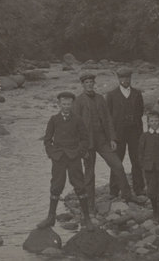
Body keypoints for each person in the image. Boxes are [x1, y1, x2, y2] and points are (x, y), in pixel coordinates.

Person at [73, 71, 133, 211]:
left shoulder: (100, 98)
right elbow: (75, 125)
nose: (89, 85)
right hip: (87, 142)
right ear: (82, 85)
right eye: (86, 83)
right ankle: (90, 205)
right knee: (89, 173)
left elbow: (108, 119)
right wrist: (81, 147)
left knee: (117, 165)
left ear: (94, 84)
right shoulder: (78, 101)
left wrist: (112, 138)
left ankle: (127, 195)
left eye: (91, 82)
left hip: (102, 140)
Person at [37, 91, 94, 230]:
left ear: (72, 104)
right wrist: (52, 154)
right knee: (56, 186)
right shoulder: (54, 119)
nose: (66, 107)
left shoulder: (78, 120)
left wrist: (79, 153)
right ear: (59, 104)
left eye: (69, 104)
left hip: (73, 157)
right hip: (58, 158)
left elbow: (85, 139)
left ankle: (86, 218)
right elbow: (47, 140)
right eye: (64, 104)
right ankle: (50, 217)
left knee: (79, 185)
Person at [106, 66, 145, 198]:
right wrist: (111, 136)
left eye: (127, 77)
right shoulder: (111, 95)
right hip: (118, 133)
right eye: (122, 78)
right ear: (118, 79)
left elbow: (140, 112)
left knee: (137, 160)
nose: (125, 80)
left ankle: (139, 188)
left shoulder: (137, 94)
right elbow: (108, 117)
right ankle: (114, 190)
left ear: (131, 78)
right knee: (117, 161)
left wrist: (141, 133)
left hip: (135, 132)